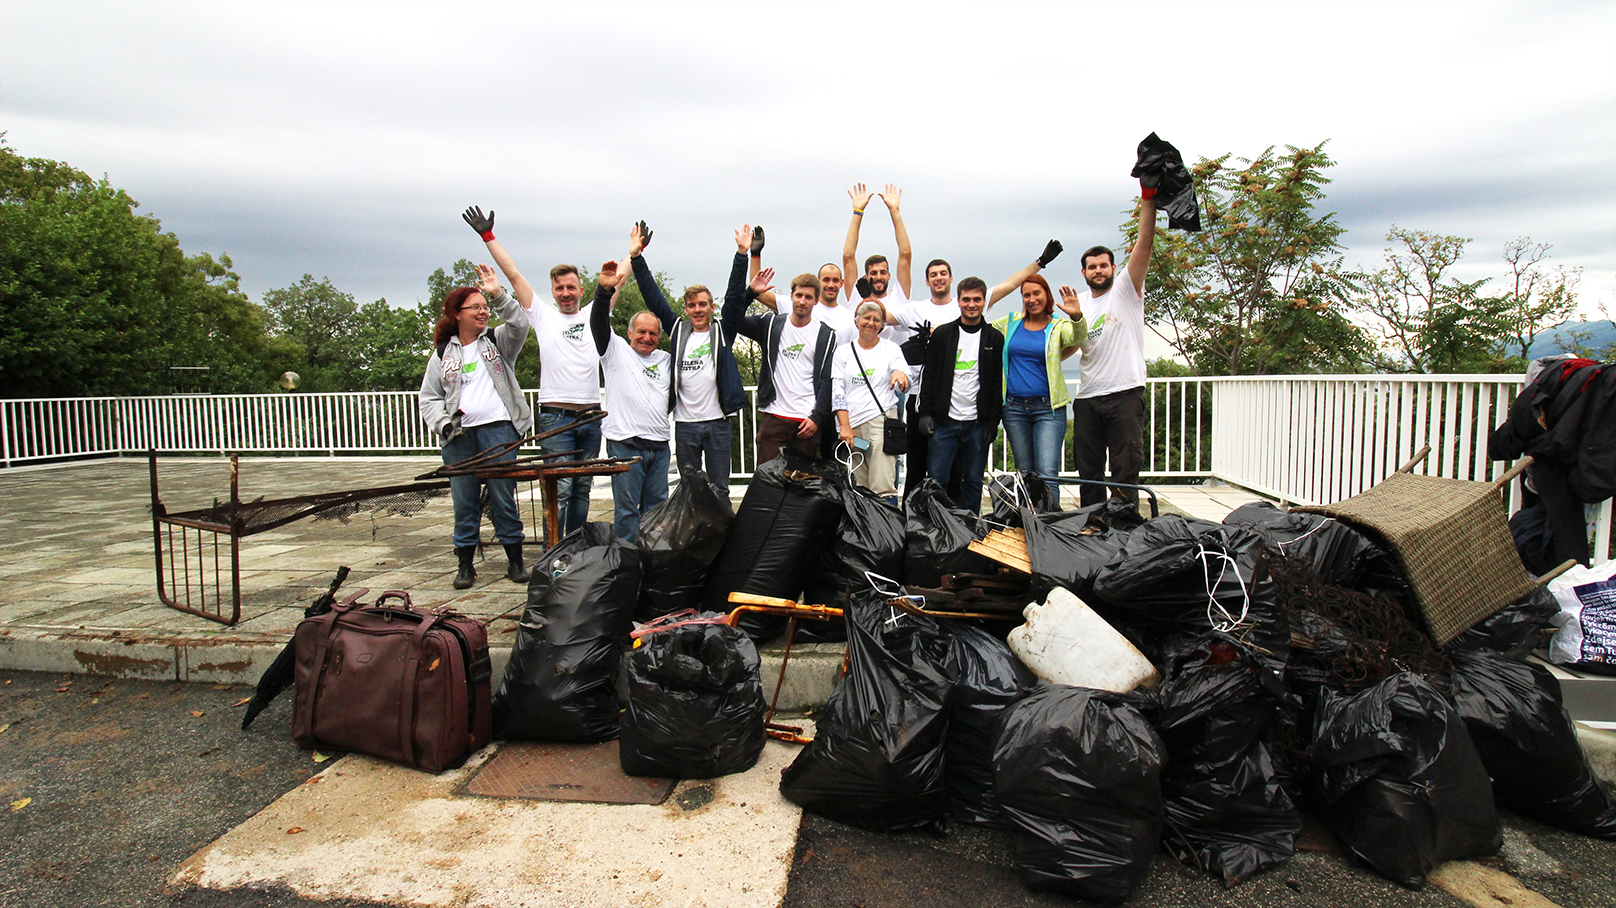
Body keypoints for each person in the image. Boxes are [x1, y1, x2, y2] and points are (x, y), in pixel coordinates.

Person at [464, 204, 604, 540]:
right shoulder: (542, 315)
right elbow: (513, 275)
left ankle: (577, 545)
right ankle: (555, 551)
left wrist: (635, 253)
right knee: (563, 488)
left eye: (571, 287)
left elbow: (619, 279)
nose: (566, 293)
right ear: (552, 292)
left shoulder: (592, 315)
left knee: (582, 487)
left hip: (590, 418)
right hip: (556, 419)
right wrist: (488, 237)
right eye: (559, 288)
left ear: (581, 290)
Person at [895, 244, 1062, 496]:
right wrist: (867, 296)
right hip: (927, 401)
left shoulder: (983, 325)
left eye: (943, 273)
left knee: (964, 475)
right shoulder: (914, 310)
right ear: (927, 281)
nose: (938, 278)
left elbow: (1010, 285)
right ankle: (916, 520)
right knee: (921, 468)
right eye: (933, 274)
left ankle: (961, 523)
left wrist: (1040, 262)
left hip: (971, 415)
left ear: (952, 279)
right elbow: (874, 316)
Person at [418, 259, 532, 589]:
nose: (483, 313)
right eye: (475, 308)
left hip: (498, 430)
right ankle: (465, 566)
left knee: (503, 498)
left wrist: (498, 295)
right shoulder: (442, 354)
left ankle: (515, 561)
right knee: (464, 500)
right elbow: (429, 397)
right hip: (460, 438)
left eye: (485, 307)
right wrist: (444, 425)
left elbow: (520, 324)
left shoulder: (497, 342)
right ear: (457, 314)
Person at [629, 222, 745, 495]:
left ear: (711, 307)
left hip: (717, 422)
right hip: (685, 425)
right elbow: (653, 296)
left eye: (702, 304)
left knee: (719, 489)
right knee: (689, 490)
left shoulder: (722, 329)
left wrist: (741, 254)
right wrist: (637, 258)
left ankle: (722, 537)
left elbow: (736, 296)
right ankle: (694, 537)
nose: (697, 309)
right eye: (692, 305)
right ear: (686, 308)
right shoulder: (679, 330)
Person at [1071, 185, 1157, 507]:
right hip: (1088, 397)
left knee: (1125, 468)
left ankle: (1122, 526)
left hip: (1124, 393)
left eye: (1103, 265)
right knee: (1088, 470)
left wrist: (1148, 198)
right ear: (1084, 272)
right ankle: (1092, 523)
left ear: (1113, 268)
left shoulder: (1127, 289)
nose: (1098, 271)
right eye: (1092, 267)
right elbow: (1065, 346)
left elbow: (1144, 243)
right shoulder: (1077, 302)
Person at [726, 248, 837, 466]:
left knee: (802, 488)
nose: (802, 301)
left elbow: (828, 381)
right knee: (768, 483)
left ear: (816, 301)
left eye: (808, 297)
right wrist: (749, 293)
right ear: (791, 296)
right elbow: (732, 319)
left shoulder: (826, 335)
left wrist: (817, 418)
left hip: (806, 421)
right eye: (798, 295)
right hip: (774, 416)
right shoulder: (771, 325)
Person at [589, 260, 671, 542]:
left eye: (653, 333)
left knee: (657, 511)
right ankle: (625, 563)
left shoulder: (665, 360)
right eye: (641, 332)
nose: (647, 338)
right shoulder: (614, 350)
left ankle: (651, 564)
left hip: (659, 447)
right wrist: (603, 291)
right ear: (629, 333)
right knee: (626, 512)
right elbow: (598, 319)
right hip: (625, 444)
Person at [916, 278, 1004, 515]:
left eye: (977, 299)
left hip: (977, 423)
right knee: (936, 480)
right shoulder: (943, 335)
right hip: (944, 422)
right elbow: (929, 376)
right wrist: (925, 413)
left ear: (984, 301)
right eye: (966, 299)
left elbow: (997, 382)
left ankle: (970, 526)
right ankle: (936, 525)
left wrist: (993, 421)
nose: (972, 304)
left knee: (974, 481)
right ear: (958, 301)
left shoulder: (994, 338)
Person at [992, 273, 1086, 483]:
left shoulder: (1057, 326)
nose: (1032, 299)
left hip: (1048, 408)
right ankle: (1028, 517)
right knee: (1024, 473)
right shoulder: (1011, 322)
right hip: (1014, 408)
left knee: (1046, 474)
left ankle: (1048, 516)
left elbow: (1077, 337)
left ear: (1047, 294)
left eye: (1037, 293)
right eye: (1026, 295)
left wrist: (1077, 317)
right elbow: (980, 329)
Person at [832, 300, 914, 498]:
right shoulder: (842, 352)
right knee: (856, 485)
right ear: (857, 320)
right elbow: (838, 392)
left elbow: (905, 376)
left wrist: (900, 377)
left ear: (882, 325)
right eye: (866, 318)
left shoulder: (892, 349)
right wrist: (844, 426)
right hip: (851, 426)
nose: (871, 322)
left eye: (876, 320)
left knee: (882, 484)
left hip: (881, 422)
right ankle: (861, 527)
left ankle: (885, 527)